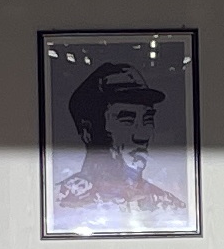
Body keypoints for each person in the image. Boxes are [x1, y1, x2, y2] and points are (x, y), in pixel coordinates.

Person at [52, 61, 185, 225]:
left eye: (148, 119)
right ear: (88, 131)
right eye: (126, 120)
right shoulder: (57, 205)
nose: (142, 134)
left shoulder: (168, 206)